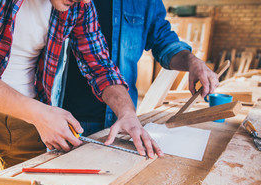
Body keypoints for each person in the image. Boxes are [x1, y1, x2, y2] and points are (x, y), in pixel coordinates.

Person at [0, 0, 164, 185]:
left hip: (31, 120)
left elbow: (100, 65)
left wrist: (127, 112)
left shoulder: (79, 4)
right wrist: (41, 114)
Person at [61, 0, 219, 138]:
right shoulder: (63, 6)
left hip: (122, 118)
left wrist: (191, 61)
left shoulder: (85, 12)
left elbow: (100, 66)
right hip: (65, 116)